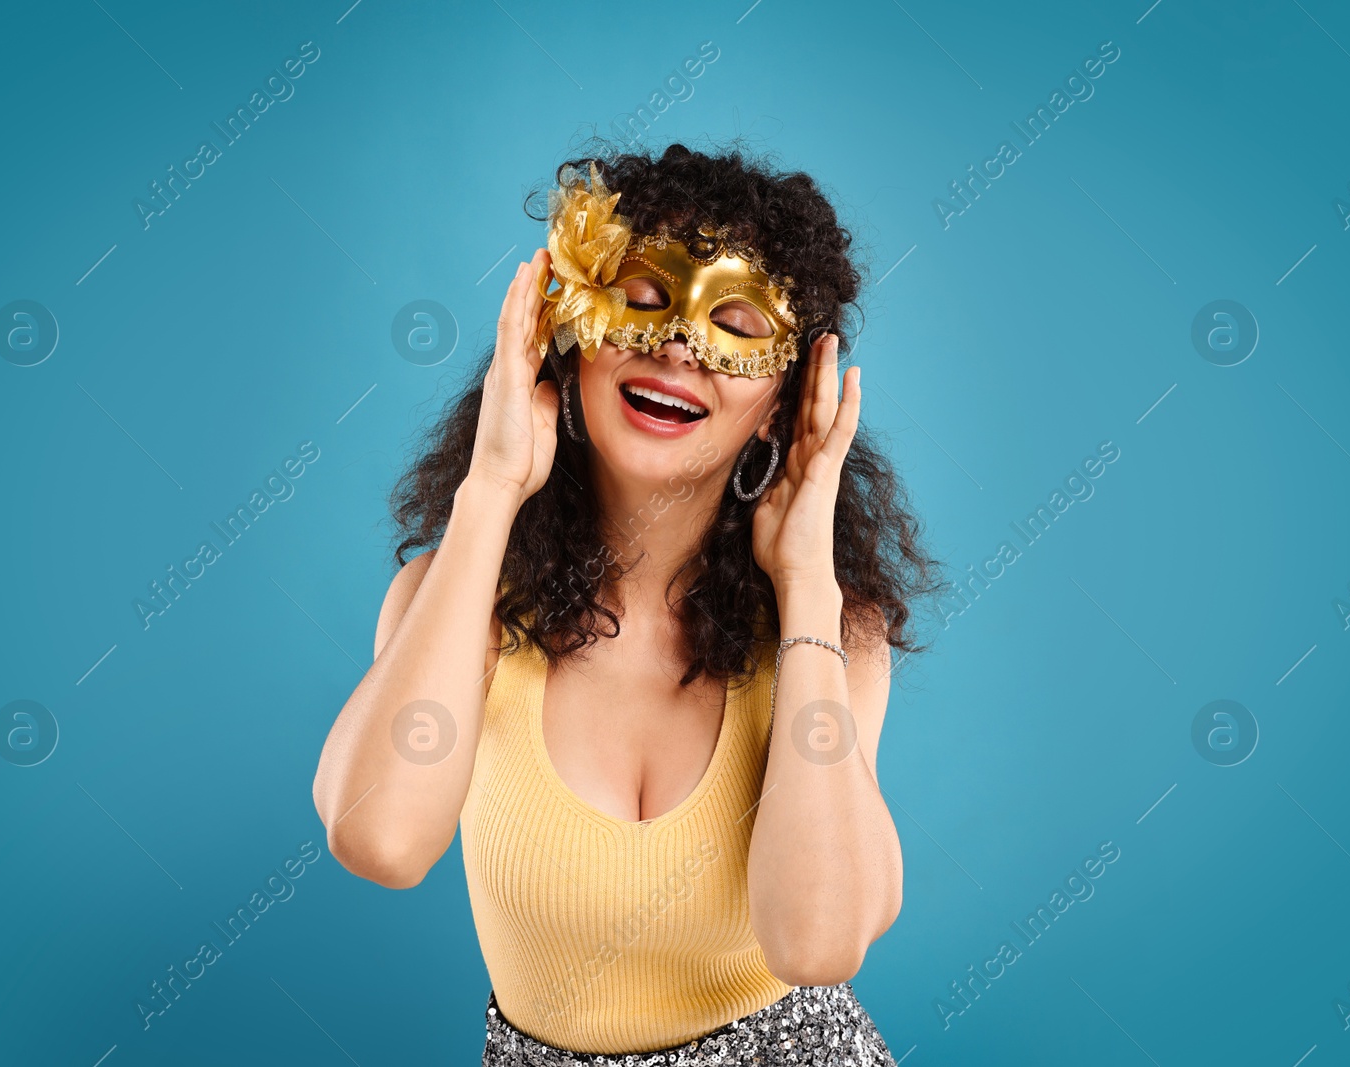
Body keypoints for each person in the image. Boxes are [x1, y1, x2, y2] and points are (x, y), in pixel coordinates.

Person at [312, 141, 937, 1065]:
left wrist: (806, 582)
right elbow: (380, 837)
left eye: (732, 323)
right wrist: (489, 490)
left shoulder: (833, 637)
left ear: (779, 400)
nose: (681, 343)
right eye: (642, 301)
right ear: (569, 335)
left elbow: (816, 944)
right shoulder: (458, 605)